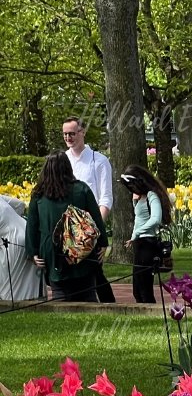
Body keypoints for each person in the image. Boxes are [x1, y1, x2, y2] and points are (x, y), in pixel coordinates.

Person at [25, 153, 108, 301]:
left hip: (53, 250)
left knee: (60, 292)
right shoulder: (81, 189)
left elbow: (32, 225)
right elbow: (95, 218)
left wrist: (33, 252)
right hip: (82, 248)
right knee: (88, 292)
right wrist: (102, 243)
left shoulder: (39, 194)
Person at [63, 116, 115, 303]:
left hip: (90, 228)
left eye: (72, 133)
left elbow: (106, 198)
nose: (69, 138)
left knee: (95, 270)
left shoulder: (99, 161)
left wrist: (95, 231)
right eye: (65, 134)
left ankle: (107, 305)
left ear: (82, 132)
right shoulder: (63, 161)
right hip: (67, 229)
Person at [119, 165, 171, 304]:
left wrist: (137, 232)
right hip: (139, 244)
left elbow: (155, 219)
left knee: (144, 287)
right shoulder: (139, 198)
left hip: (148, 243)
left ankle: (150, 311)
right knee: (137, 288)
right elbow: (138, 219)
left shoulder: (151, 196)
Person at [0, 196, 42, 301]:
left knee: (11, 291)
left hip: (11, 241)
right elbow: (20, 204)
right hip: (26, 232)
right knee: (32, 284)